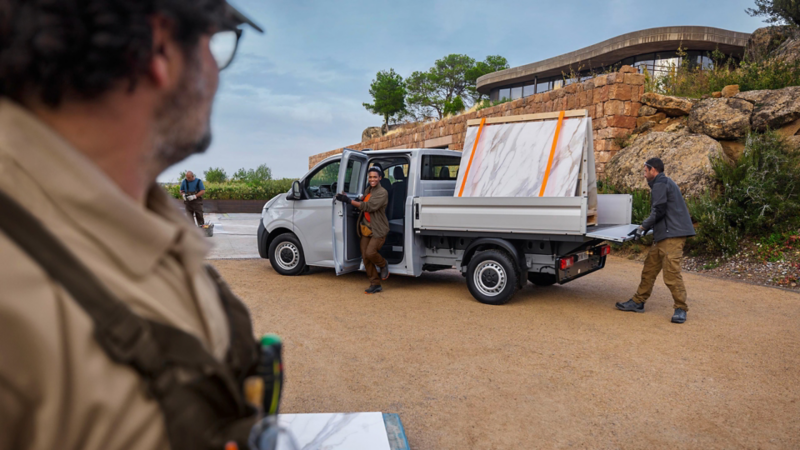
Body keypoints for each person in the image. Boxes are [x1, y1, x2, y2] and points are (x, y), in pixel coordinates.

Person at [0, 2, 267, 449]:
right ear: (159, 46)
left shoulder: (140, 224)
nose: (217, 74)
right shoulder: (17, 301)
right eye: (214, 43)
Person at [616, 157, 696, 324]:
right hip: (663, 236)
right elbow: (662, 212)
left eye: (645, 171)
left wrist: (642, 227)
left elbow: (658, 211)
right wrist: (647, 229)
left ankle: (681, 308)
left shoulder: (660, 183)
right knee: (649, 270)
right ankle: (638, 302)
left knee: (671, 274)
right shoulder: (664, 183)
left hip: (672, 237)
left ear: (653, 170)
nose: (644, 175)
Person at [336, 166, 390, 294]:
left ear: (380, 178)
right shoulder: (368, 190)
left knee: (371, 253)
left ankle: (383, 264)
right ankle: (375, 284)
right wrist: (349, 197)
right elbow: (363, 200)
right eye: (370, 177)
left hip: (378, 229)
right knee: (365, 257)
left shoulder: (382, 192)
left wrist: (349, 201)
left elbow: (369, 206)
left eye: (375, 177)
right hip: (366, 228)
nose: (372, 179)